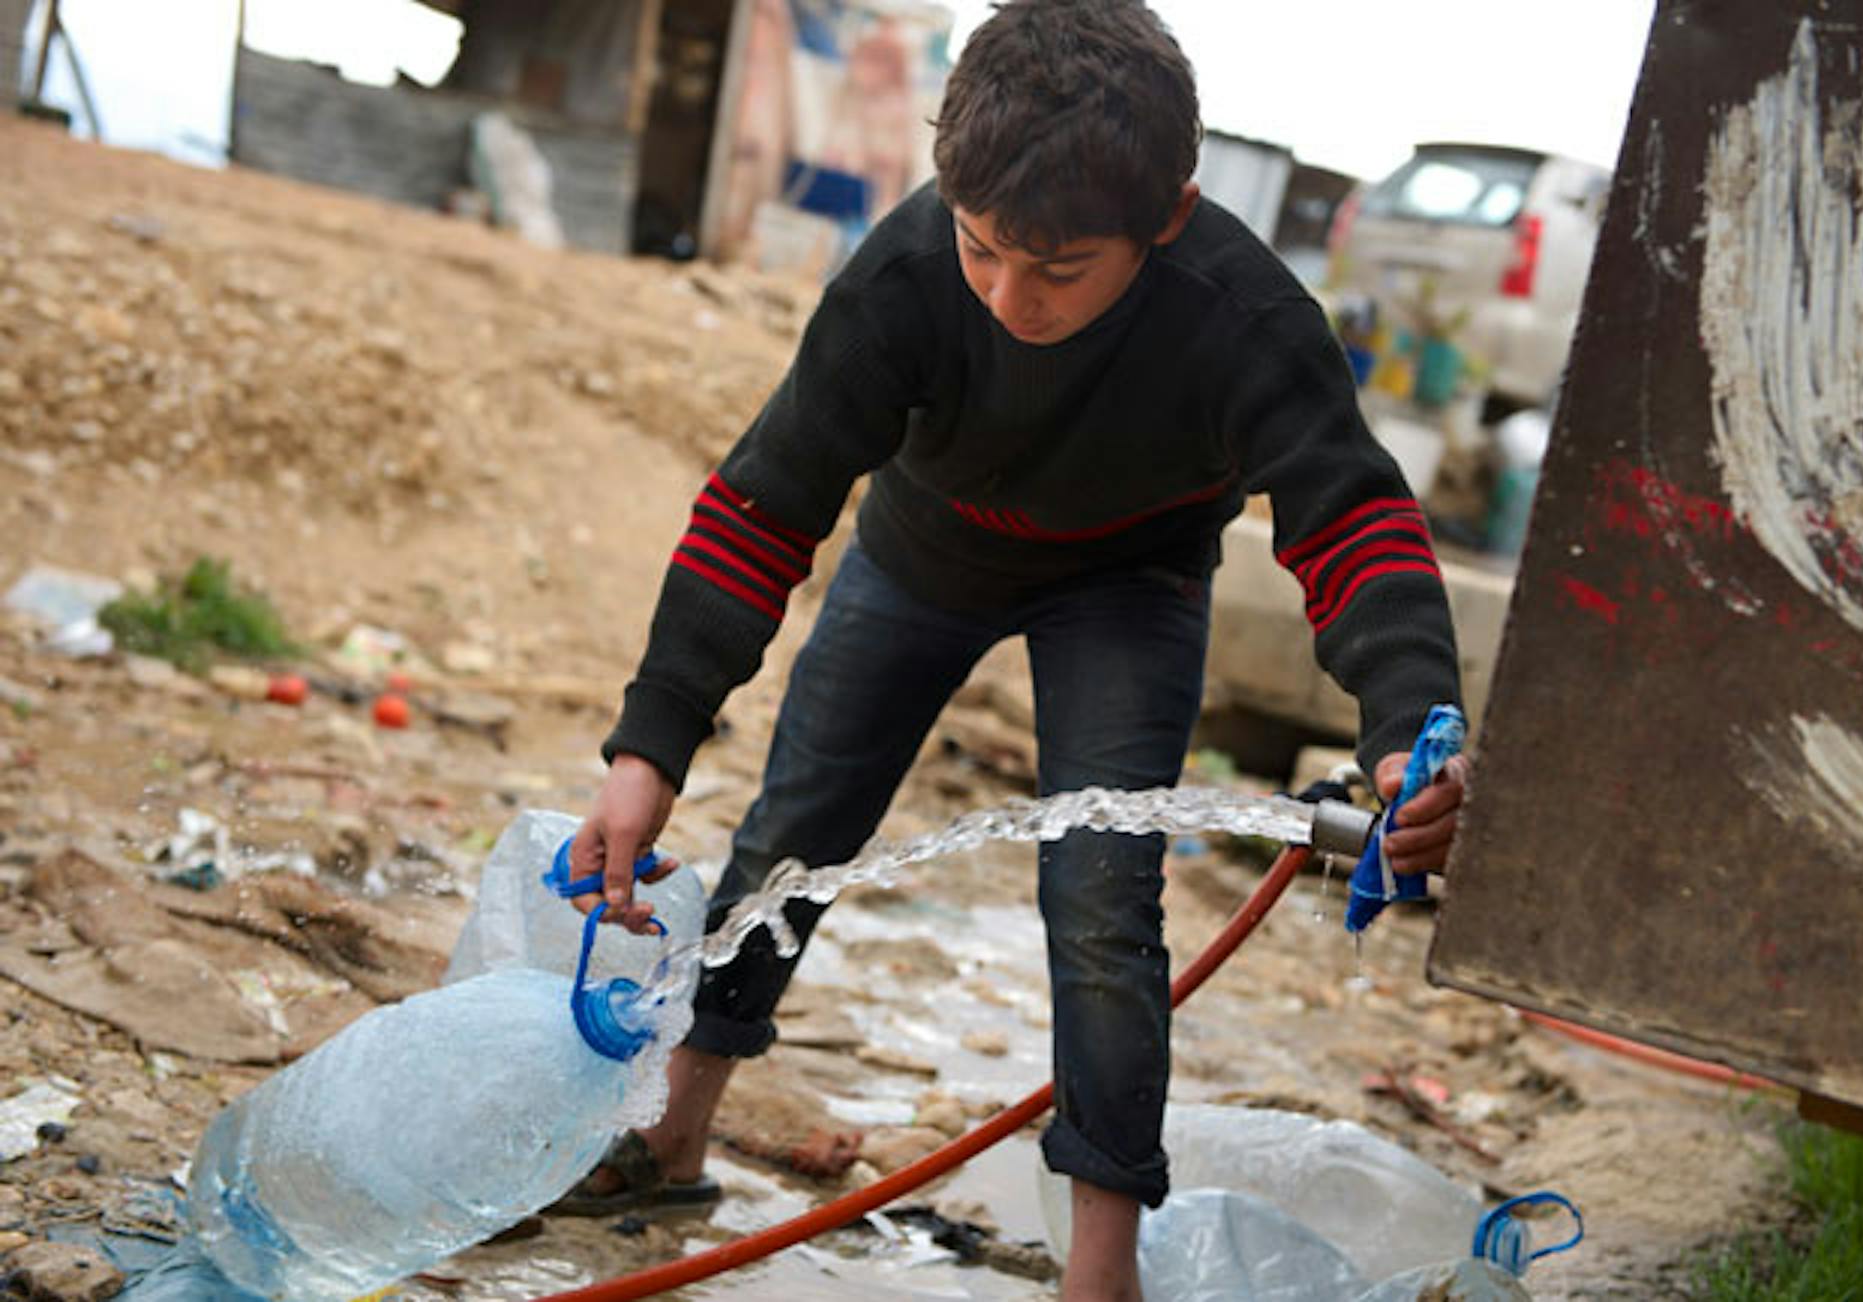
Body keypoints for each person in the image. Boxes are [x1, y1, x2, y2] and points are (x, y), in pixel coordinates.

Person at [555, 2, 1467, 1297]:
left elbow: (1350, 520)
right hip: (920, 556)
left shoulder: (1241, 316)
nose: (1006, 296)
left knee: (1102, 896)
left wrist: (1403, 729)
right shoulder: (904, 276)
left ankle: (1101, 1270)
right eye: (982, 250)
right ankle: (674, 1128)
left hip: (1128, 584)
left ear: (1166, 216)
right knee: (798, 823)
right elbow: (764, 505)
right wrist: (647, 750)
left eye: (1059, 269)